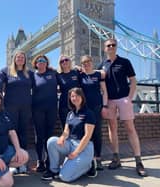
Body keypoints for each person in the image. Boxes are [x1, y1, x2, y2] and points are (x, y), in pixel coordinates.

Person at [99, 38, 147, 177]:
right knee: (112, 128)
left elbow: (133, 80)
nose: (111, 47)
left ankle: (138, 161)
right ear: (105, 48)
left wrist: (129, 98)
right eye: (108, 45)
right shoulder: (103, 64)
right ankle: (116, 158)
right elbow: (93, 74)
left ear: (116, 47)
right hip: (110, 100)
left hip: (123, 99)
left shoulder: (125, 62)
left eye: (113, 45)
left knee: (130, 128)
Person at [41, 88, 95, 182]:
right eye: (72, 96)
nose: (75, 98)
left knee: (65, 177)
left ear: (82, 97)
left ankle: (89, 165)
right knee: (52, 141)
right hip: (70, 144)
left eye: (77, 95)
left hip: (84, 148)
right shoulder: (70, 114)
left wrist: (75, 153)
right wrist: (62, 138)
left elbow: (87, 136)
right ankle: (54, 171)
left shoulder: (88, 113)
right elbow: (66, 131)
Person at [1, 50, 32, 173]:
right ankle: (12, 162)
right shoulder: (6, 71)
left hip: (25, 108)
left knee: (23, 134)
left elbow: (41, 78)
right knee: (10, 134)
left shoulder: (29, 73)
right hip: (10, 107)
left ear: (25, 60)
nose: (20, 59)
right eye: (18, 57)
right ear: (14, 59)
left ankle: (22, 162)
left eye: (22, 57)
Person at [79, 55, 108, 174]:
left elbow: (104, 91)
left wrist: (105, 106)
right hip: (84, 108)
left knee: (97, 133)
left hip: (96, 107)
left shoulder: (98, 75)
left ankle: (98, 158)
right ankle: (89, 159)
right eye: (84, 62)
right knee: (85, 134)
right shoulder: (80, 75)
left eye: (88, 62)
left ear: (92, 62)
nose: (86, 64)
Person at [31, 54, 58, 172]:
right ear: (36, 64)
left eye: (43, 60)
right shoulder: (33, 76)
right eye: (39, 60)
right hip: (37, 109)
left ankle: (48, 160)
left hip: (51, 108)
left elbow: (66, 73)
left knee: (49, 135)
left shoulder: (53, 73)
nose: (41, 62)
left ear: (47, 63)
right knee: (39, 136)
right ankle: (40, 161)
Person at [56, 55, 80, 128]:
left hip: (76, 104)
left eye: (66, 60)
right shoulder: (58, 75)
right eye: (62, 61)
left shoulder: (76, 72)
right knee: (65, 126)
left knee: (77, 127)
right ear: (60, 64)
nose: (64, 62)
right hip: (64, 104)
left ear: (70, 61)